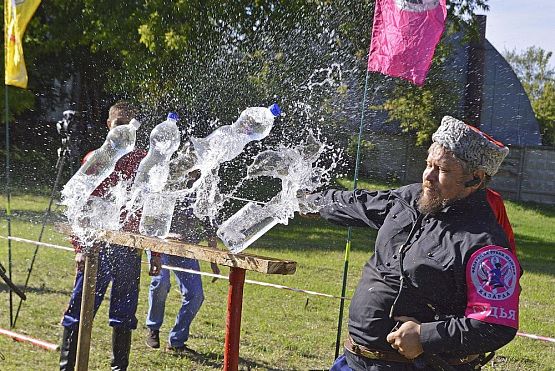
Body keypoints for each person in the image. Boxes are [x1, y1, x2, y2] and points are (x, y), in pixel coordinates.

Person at [304, 116, 521, 371]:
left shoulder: (486, 245)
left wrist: (425, 336)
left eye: (443, 170)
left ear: (475, 178)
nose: (428, 176)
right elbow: (359, 203)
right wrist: (309, 202)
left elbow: (496, 326)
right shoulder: (410, 198)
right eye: (428, 164)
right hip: (354, 362)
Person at [59, 101, 161, 370]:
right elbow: (78, 206)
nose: (123, 129)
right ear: (109, 126)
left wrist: (155, 252)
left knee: (124, 315)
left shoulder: (144, 162)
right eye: (119, 124)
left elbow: (151, 210)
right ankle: (67, 367)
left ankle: (119, 367)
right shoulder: (96, 158)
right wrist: (80, 248)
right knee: (81, 310)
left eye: (129, 124)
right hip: (97, 249)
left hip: (128, 250)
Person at [145, 173, 221, 353]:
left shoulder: (205, 191)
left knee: (196, 295)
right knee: (161, 283)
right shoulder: (167, 181)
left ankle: (176, 342)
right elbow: (150, 218)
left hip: (185, 248)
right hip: (160, 244)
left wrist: (213, 261)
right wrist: (165, 236)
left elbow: (211, 227)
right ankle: (153, 328)